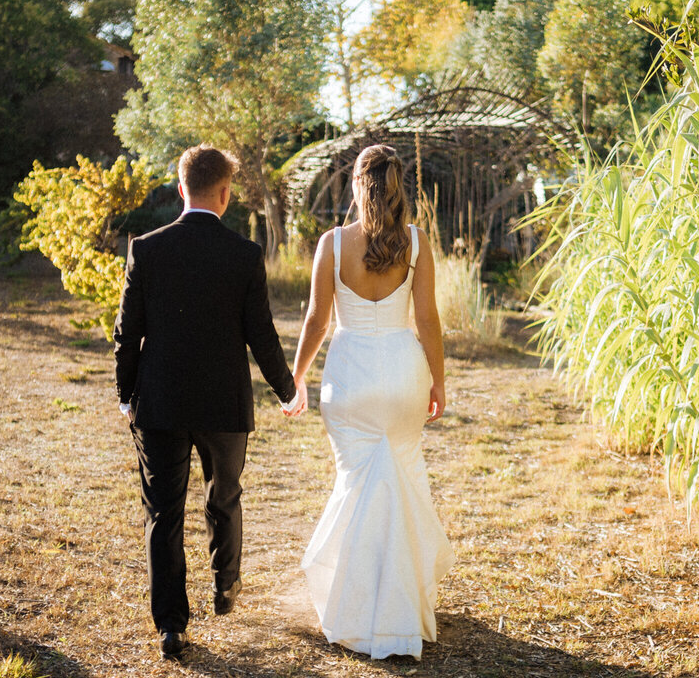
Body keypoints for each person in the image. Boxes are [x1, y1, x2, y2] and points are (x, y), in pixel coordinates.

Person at [113, 144, 298, 659]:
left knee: (163, 513)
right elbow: (261, 335)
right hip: (224, 406)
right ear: (225, 194)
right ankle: (226, 583)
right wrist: (288, 389)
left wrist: (125, 394)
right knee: (226, 495)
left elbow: (128, 333)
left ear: (180, 189)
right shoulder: (244, 255)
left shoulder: (146, 249)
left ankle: (171, 627)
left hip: (161, 403)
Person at [286, 143, 455, 660]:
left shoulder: (333, 244)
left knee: (357, 482)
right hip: (404, 374)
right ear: (399, 185)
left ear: (357, 185)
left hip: (350, 378)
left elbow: (317, 320)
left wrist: (295, 377)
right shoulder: (417, 243)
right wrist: (438, 381)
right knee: (401, 479)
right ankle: (401, 603)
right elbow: (427, 321)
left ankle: (355, 605)